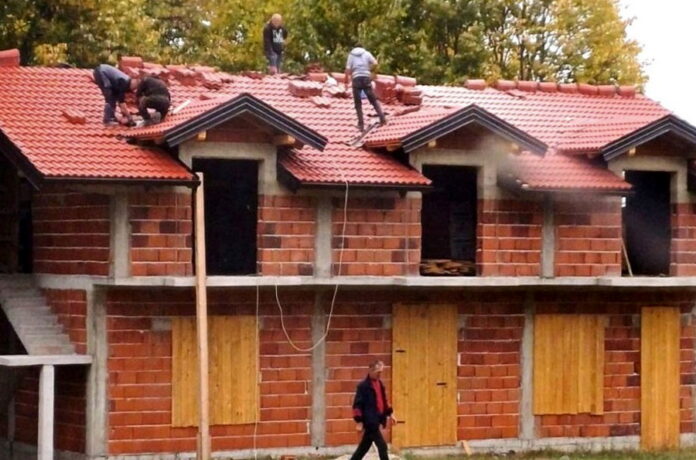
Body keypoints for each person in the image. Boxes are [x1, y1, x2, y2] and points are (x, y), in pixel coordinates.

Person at [350, 360, 396, 460]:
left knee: (364, 447)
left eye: (381, 372)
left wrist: (391, 414)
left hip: (377, 420)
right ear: (371, 370)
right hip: (370, 421)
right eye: (378, 372)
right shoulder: (363, 386)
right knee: (382, 446)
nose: (380, 374)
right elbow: (357, 405)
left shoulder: (380, 384)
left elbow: (384, 401)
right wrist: (359, 421)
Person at [345, 44, 386, 132]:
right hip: (366, 77)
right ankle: (382, 119)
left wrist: (346, 81)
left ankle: (361, 125)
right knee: (373, 100)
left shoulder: (351, 55)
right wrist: (369, 70)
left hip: (356, 78)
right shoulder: (366, 53)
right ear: (362, 47)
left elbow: (348, 69)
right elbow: (375, 63)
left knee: (358, 103)